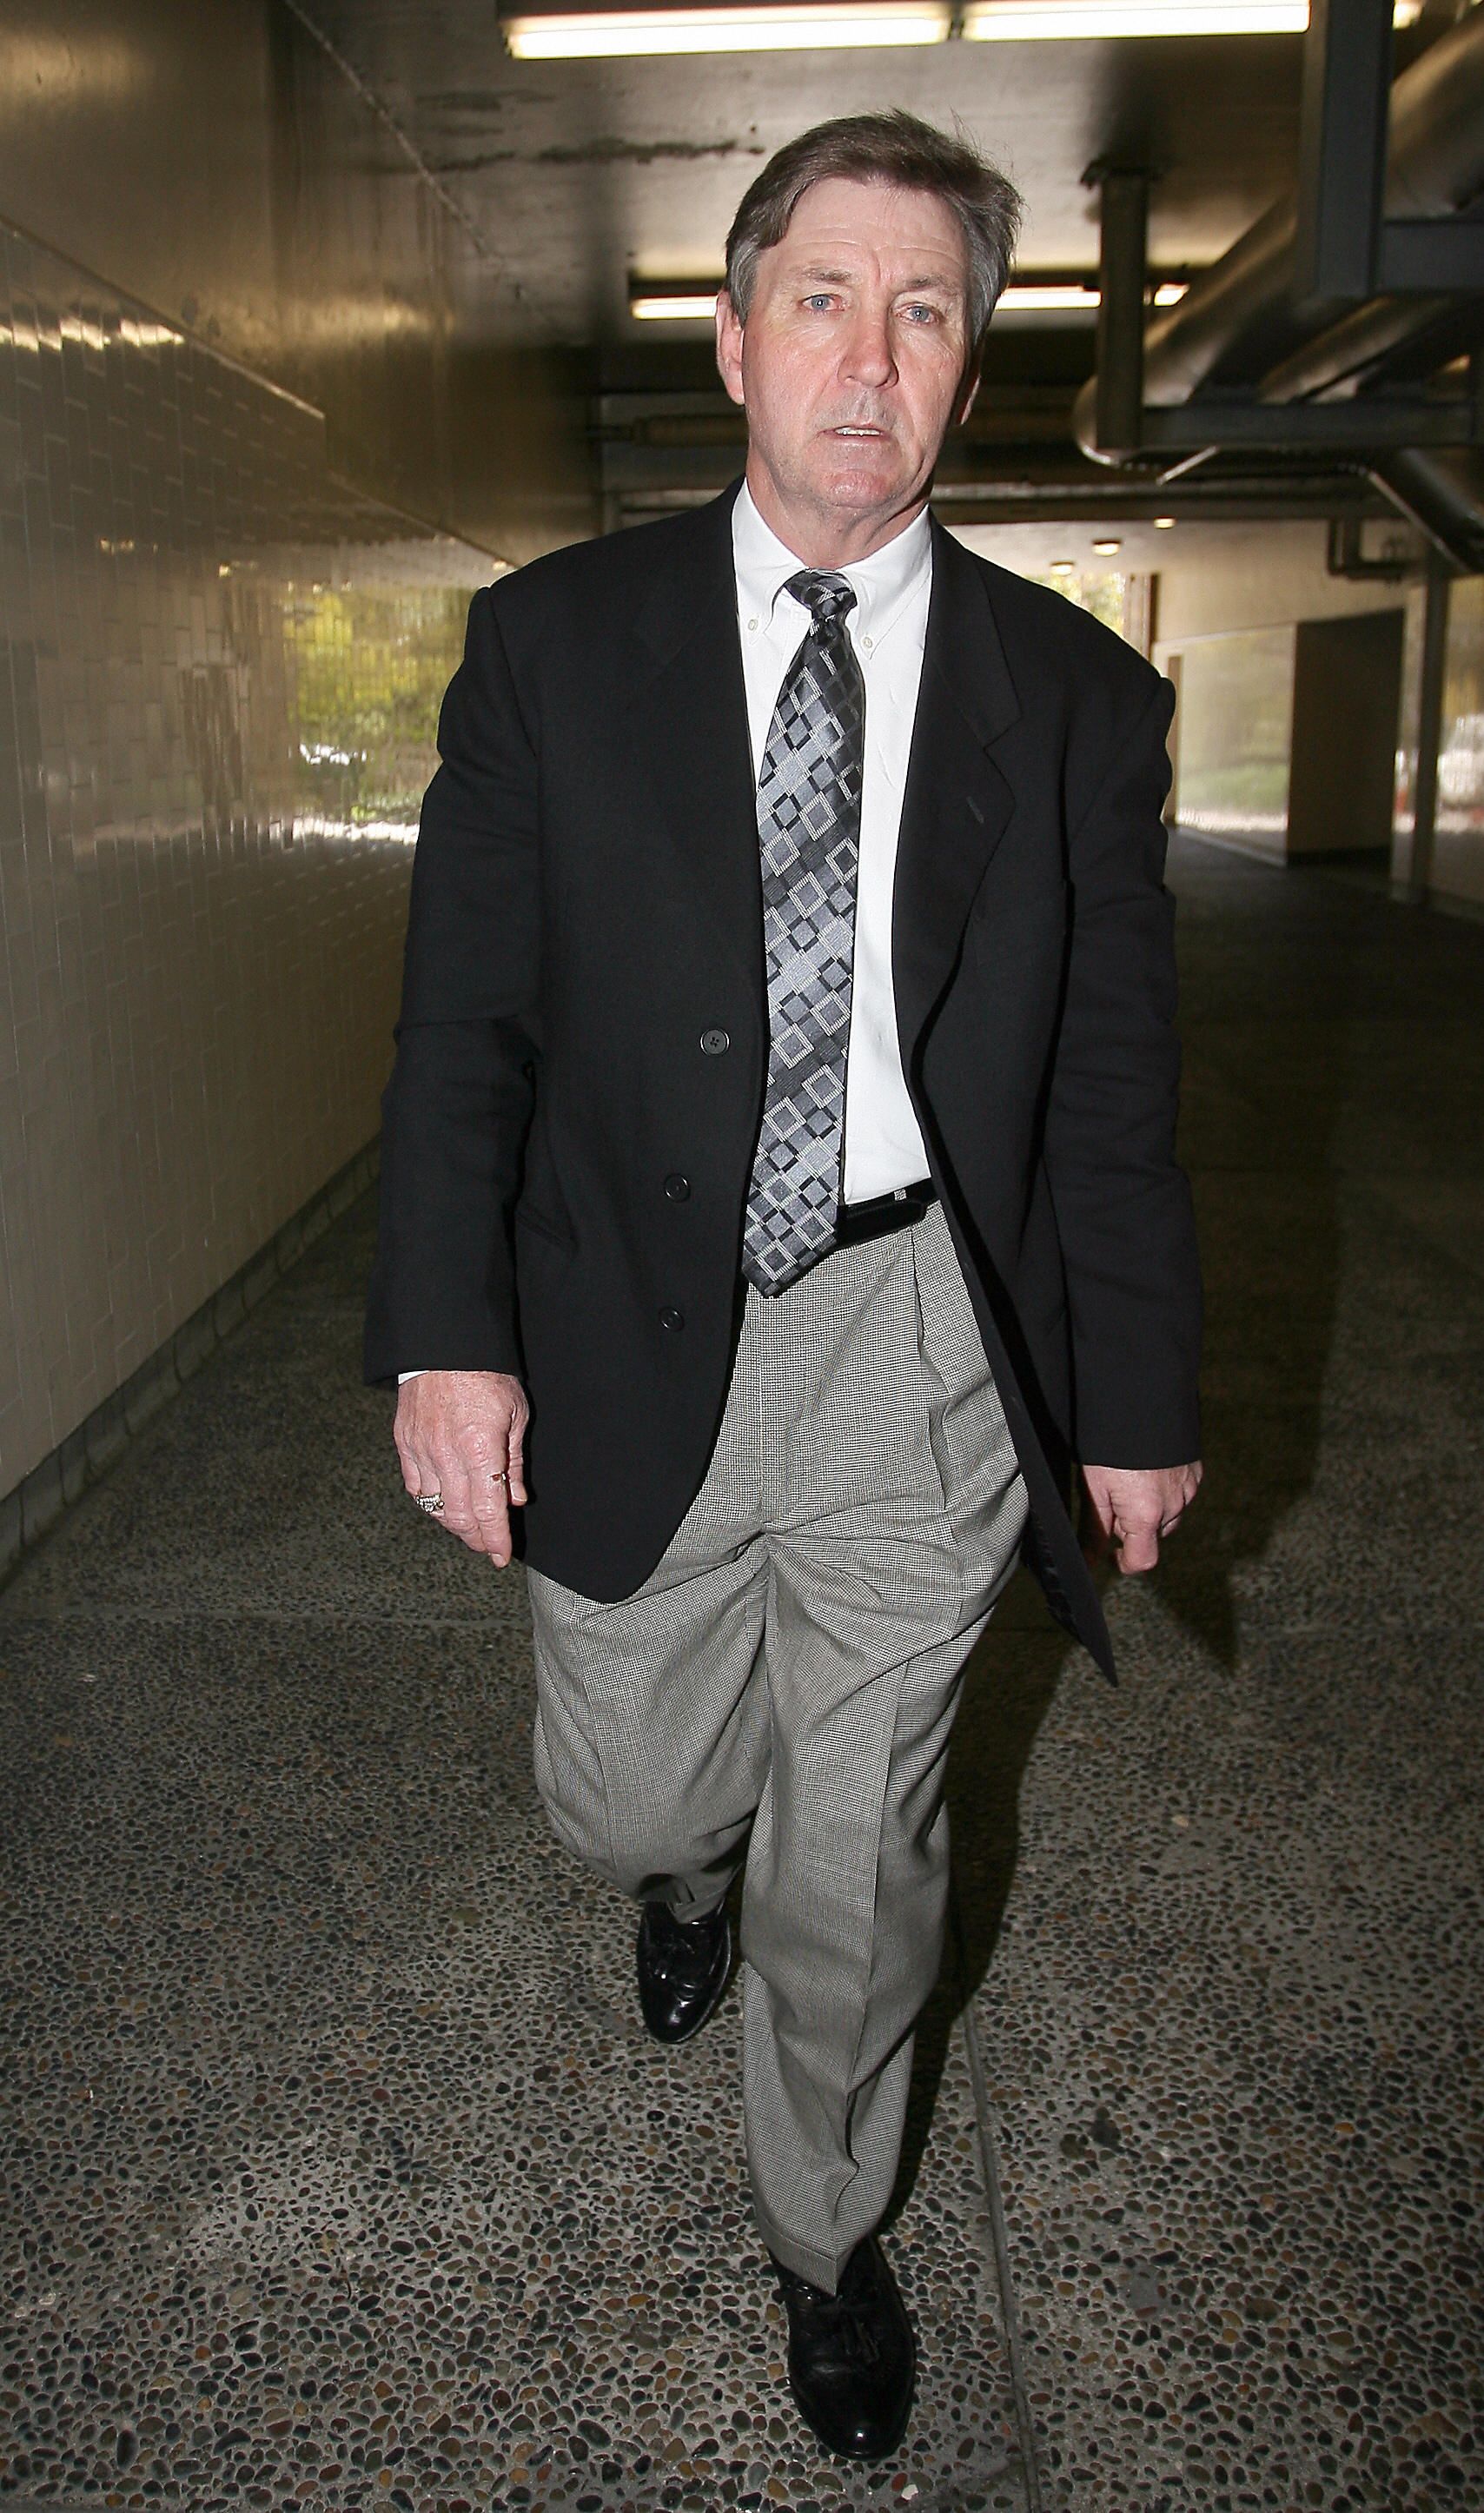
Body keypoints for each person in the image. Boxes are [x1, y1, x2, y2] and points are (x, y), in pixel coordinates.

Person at [365, 109, 1202, 2464]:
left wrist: (1130, 1392)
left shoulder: (1069, 700)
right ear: (734, 338)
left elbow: (1113, 1085)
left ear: (966, 368)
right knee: (625, 1775)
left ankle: (823, 2230)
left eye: (925, 309)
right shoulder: (552, 645)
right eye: (822, 297)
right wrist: (446, 1328)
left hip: (919, 1331)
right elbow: (465, 1024)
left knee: (868, 1839)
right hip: (624, 1295)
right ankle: (677, 1852)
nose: (871, 353)